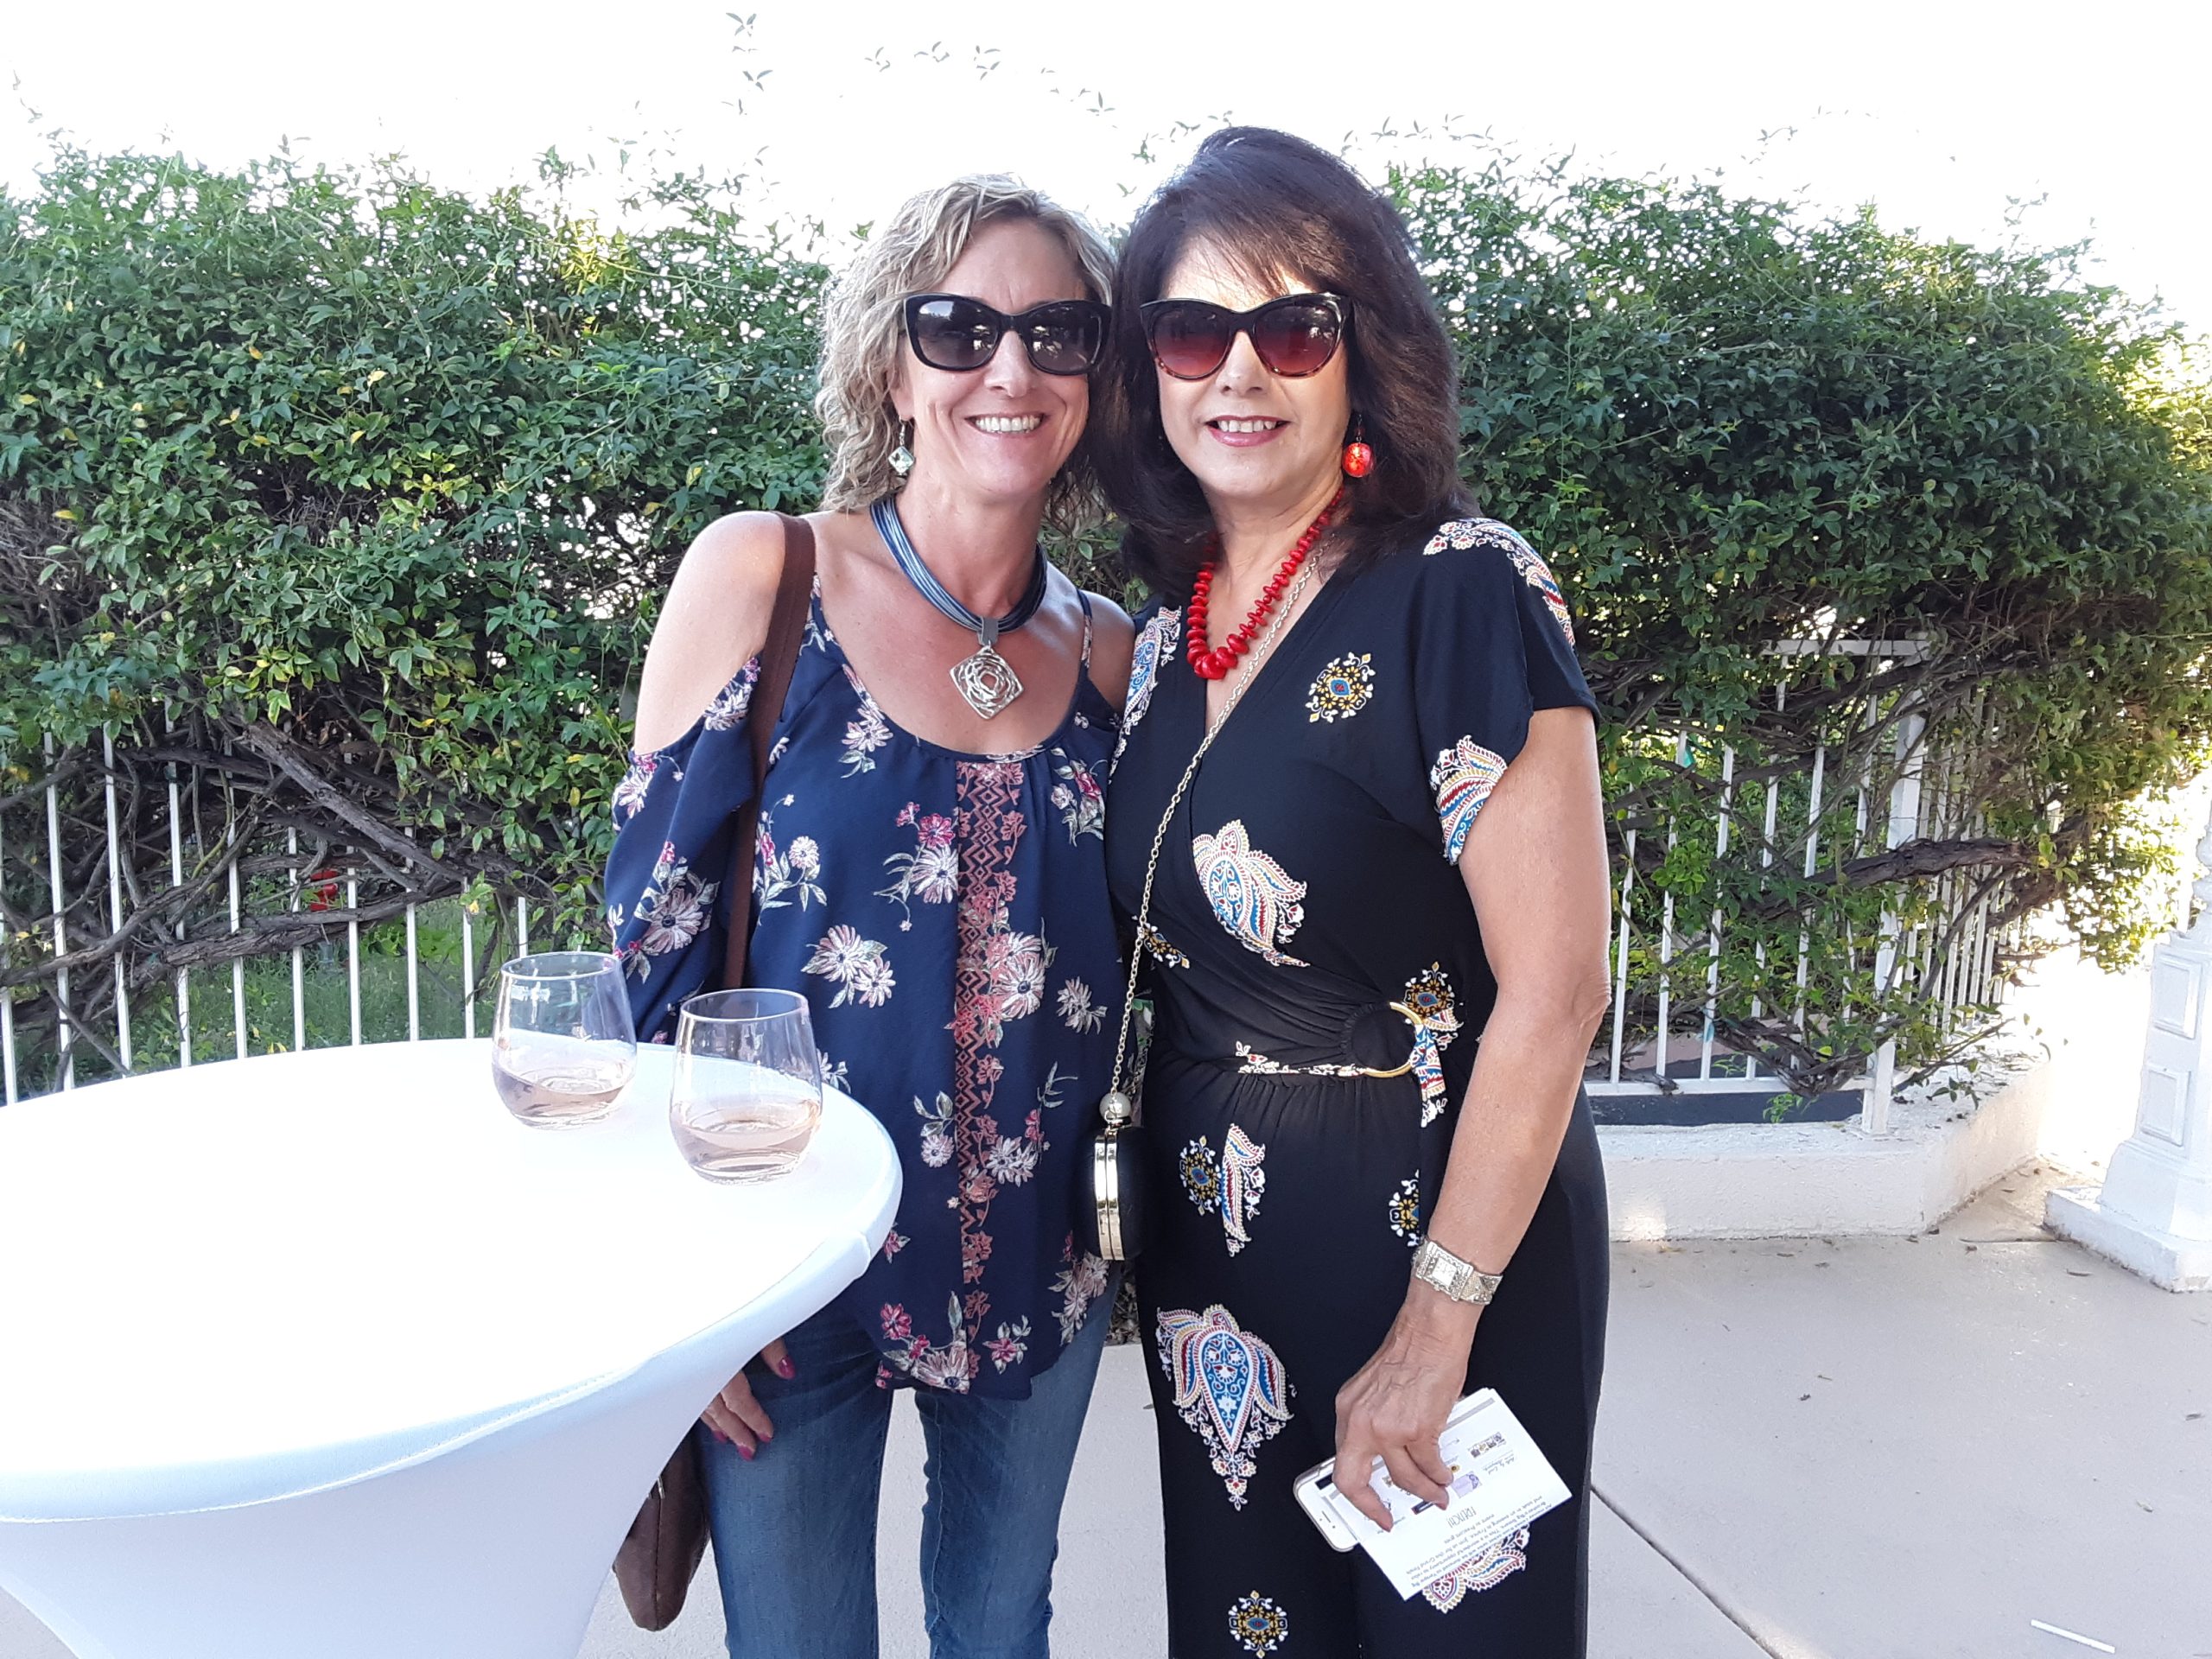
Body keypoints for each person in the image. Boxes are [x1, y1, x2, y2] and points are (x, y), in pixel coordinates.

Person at [1091, 127, 1612, 1656]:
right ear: (1151, 368)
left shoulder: (1461, 588)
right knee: (1249, 1626)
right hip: (1217, 1261)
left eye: (1294, 328)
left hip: (1444, 1238)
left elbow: (1558, 991)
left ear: (1361, 353)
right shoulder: (1165, 637)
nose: (1240, 372)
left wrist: (1437, 1325)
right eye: (1195, 331)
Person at [605, 175, 1135, 1659]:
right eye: (958, 328)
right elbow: (647, 943)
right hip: (783, 1265)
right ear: (892, 371)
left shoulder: (1112, 654)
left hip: (1032, 1255)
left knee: (999, 1629)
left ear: (1094, 380)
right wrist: (676, 1276)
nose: (1009, 368)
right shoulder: (766, 576)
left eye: (1057, 333)